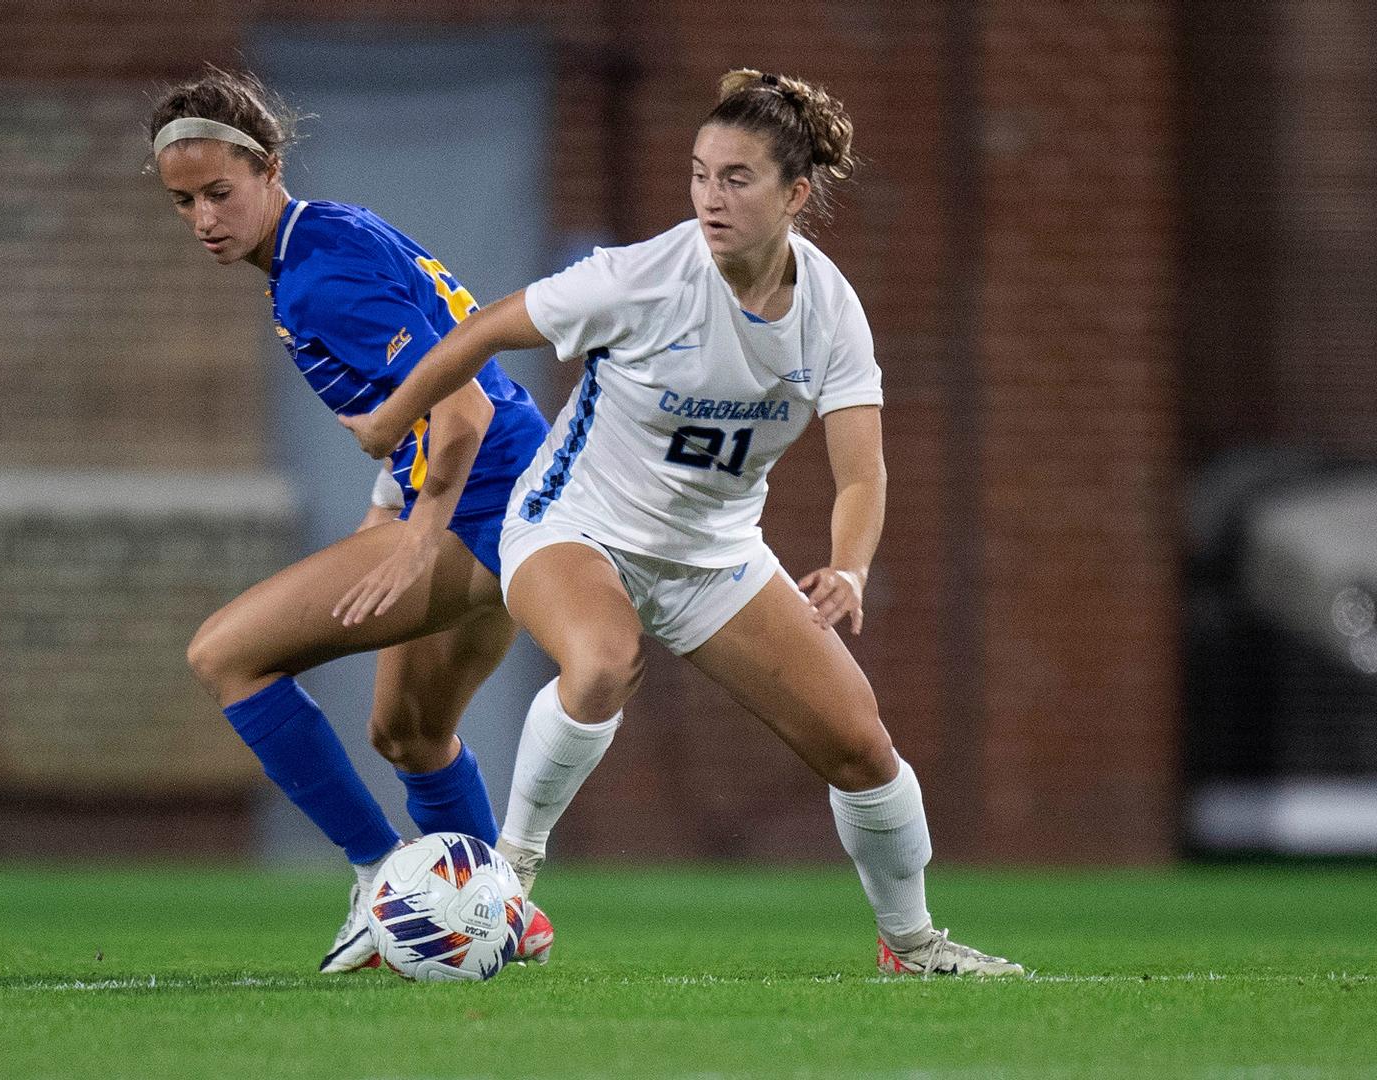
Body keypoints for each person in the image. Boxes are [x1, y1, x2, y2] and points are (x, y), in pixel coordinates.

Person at [341, 70, 1024, 976]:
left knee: (864, 749)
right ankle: (509, 878)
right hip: (572, 525)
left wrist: (849, 569)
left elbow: (863, 472)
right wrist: (396, 421)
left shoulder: (831, 311)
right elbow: (483, 330)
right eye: (701, 174)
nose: (711, 197)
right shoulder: (642, 277)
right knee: (603, 661)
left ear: (796, 193)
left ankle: (912, 944)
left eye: (737, 178)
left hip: (715, 557)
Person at [150, 68, 554, 972]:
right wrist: (392, 504)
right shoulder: (328, 232)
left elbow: (463, 412)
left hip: (481, 504)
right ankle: (505, 916)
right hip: (510, 494)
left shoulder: (318, 279)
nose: (205, 218)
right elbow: (435, 380)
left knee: (224, 654)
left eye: (220, 192)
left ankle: (381, 881)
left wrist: (418, 536)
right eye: (184, 202)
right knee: (407, 732)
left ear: (269, 167)